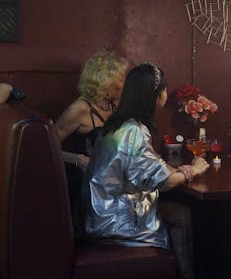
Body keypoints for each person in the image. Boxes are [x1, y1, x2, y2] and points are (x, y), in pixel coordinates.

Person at [81, 63, 209, 279]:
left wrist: (176, 169)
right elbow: (166, 182)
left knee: (180, 214)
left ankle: (183, 273)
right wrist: (193, 170)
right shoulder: (133, 131)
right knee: (182, 214)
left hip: (97, 212)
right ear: (156, 96)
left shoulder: (117, 124)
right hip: (113, 221)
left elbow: (146, 166)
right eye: (164, 90)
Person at [55, 52, 128, 216]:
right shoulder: (80, 108)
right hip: (87, 185)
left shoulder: (115, 105)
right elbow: (44, 148)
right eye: (122, 79)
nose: (125, 84)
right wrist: (77, 160)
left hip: (112, 181)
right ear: (107, 81)